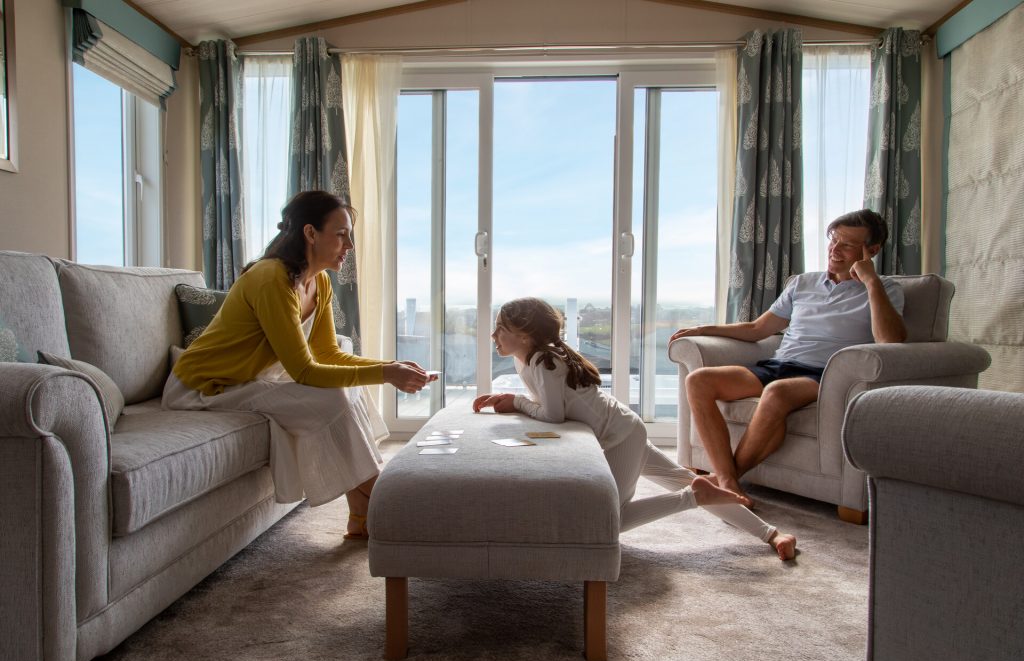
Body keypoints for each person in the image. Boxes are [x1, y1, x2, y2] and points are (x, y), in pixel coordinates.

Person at [163, 190, 435, 539]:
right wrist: (386, 374)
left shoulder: (319, 282)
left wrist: (390, 365)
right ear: (310, 233)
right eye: (341, 234)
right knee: (333, 397)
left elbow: (328, 354)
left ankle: (362, 514)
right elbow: (304, 371)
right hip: (203, 386)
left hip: (250, 379)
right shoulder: (270, 278)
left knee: (345, 391)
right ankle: (387, 501)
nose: (349, 245)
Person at [473, 297, 797, 561]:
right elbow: (549, 406)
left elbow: (554, 416)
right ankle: (772, 534)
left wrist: (515, 402)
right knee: (685, 481)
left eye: (500, 328)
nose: (493, 335)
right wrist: (515, 401)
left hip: (621, 437)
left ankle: (693, 497)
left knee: (610, 521)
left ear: (525, 334)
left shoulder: (546, 362)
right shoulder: (531, 359)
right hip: (626, 428)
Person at [671, 208, 907, 501]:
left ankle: (727, 480)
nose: (835, 249)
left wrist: (871, 282)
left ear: (871, 250)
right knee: (698, 381)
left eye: (847, 244)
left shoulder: (885, 290)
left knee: (777, 393)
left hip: (823, 375)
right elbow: (758, 328)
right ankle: (728, 482)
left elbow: (891, 340)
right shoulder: (802, 283)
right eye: (834, 240)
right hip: (777, 365)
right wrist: (703, 329)